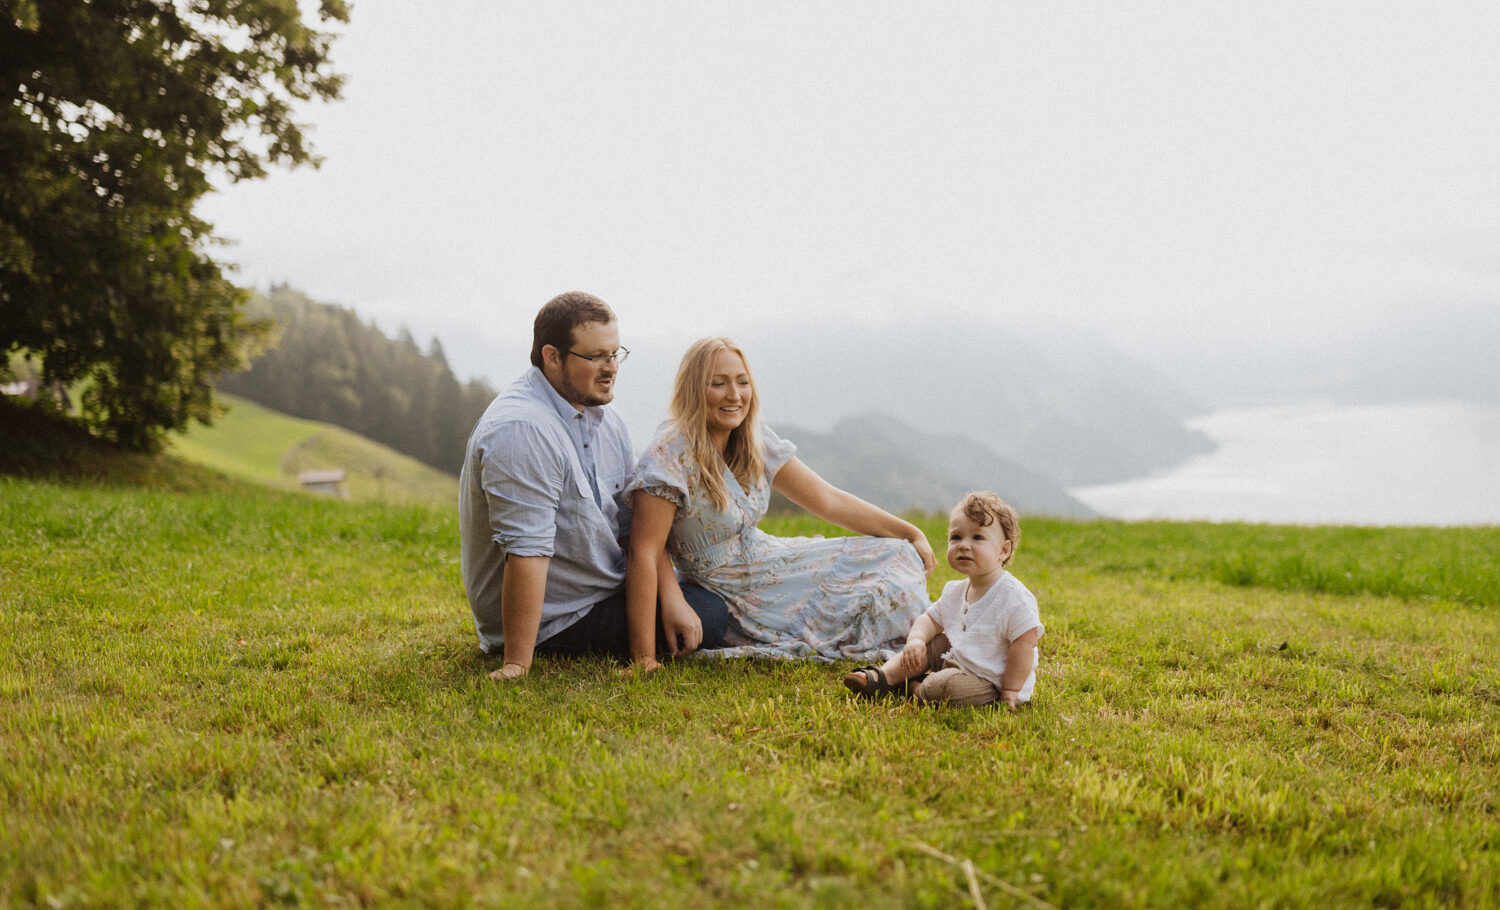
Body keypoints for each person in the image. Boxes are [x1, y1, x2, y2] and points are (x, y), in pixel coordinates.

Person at [622, 336, 937, 671]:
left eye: (742, 382)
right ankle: (923, 647)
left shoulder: (753, 439)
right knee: (873, 599)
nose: (735, 395)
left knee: (897, 554)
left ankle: (930, 637)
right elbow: (643, 549)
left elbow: (828, 500)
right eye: (718, 383)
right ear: (693, 389)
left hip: (767, 558)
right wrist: (643, 657)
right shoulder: (668, 456)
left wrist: (910, 532)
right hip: (728, 591)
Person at [459, 292, 730, 680]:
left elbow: (636, 525)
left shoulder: (605, 416)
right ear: (552, 357)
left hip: (602, 588)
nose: (610, 369)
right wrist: (516, 663)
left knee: (702, 603)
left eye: (615, 354)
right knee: (711, 615)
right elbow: (527, 552)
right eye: (596, 357)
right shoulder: (522, 430)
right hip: (558, 617)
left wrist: (669, 596)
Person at [843, 491, 1043, 708]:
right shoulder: (955, 591)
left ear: (1003, 550)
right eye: (956, 537)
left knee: (947, 688)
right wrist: (916, 641)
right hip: (958, 657)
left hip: (989, 681)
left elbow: (1025, 644)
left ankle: (916, 687)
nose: (964, 545)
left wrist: (1010, 691)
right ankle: (884, 677)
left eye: (977, 537)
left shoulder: (1013, 596)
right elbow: (930, 619)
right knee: (931, 642)